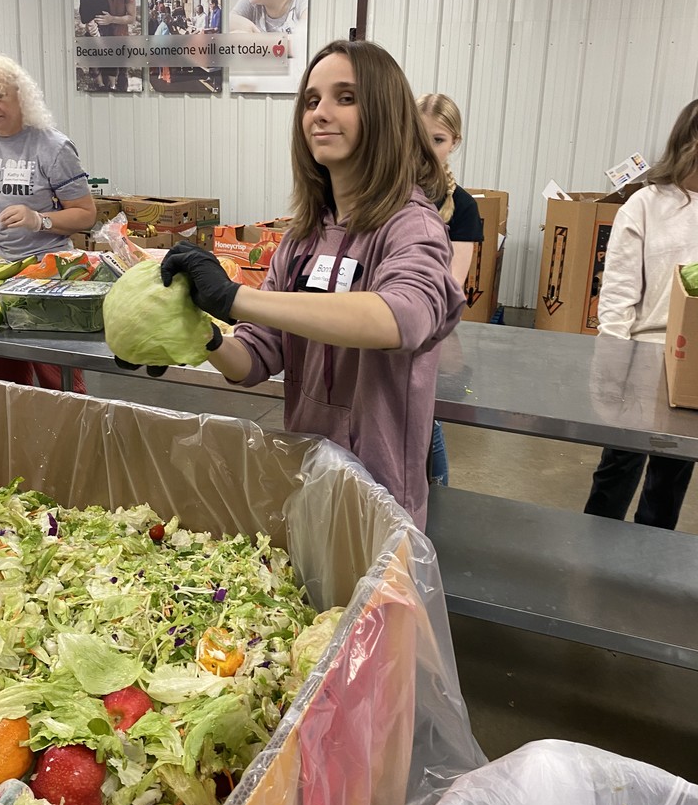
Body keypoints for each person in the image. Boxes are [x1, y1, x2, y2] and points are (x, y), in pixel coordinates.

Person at [159, 40, 465, 529]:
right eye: (312, 100)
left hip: (379, 498)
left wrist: (239, 297)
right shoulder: (303, 236)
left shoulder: (412, 225)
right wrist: (201, 334)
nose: (321, 113)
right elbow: (257, 358)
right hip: (306, 477)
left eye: (346, 97)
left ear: (385, 113)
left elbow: (402, 317)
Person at [583, 99, 698, 529]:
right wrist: (611, 370)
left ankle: (643, 574)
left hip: (693, 366)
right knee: (618, 467)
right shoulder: (646, 204)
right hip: (641, 358)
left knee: (670, 479)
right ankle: (596, 552)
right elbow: (617, 296)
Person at [0, 52, 96, 393]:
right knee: (2, 381)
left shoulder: (53, 147)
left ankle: (72, 442)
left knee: (57, 381)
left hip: (48, 276)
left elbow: (86, 213)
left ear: (20, 95)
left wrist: (39, 220)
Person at [418, 93, 484, 486]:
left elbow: (451, 284)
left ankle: (437, 492)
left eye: (438, 140)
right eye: (419, 138)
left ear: (454, 142)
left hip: (432, 331)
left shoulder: (462, 207)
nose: (427, 150)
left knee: (426, 418)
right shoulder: (383, 196)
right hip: (375, 325)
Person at [78, 0, 111, 91]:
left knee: (109, 62)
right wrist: (100, 41)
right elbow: (90, 25)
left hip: (107, 31)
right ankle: (100, 84)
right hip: (94, 35)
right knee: (96, 61)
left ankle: (111, 83)